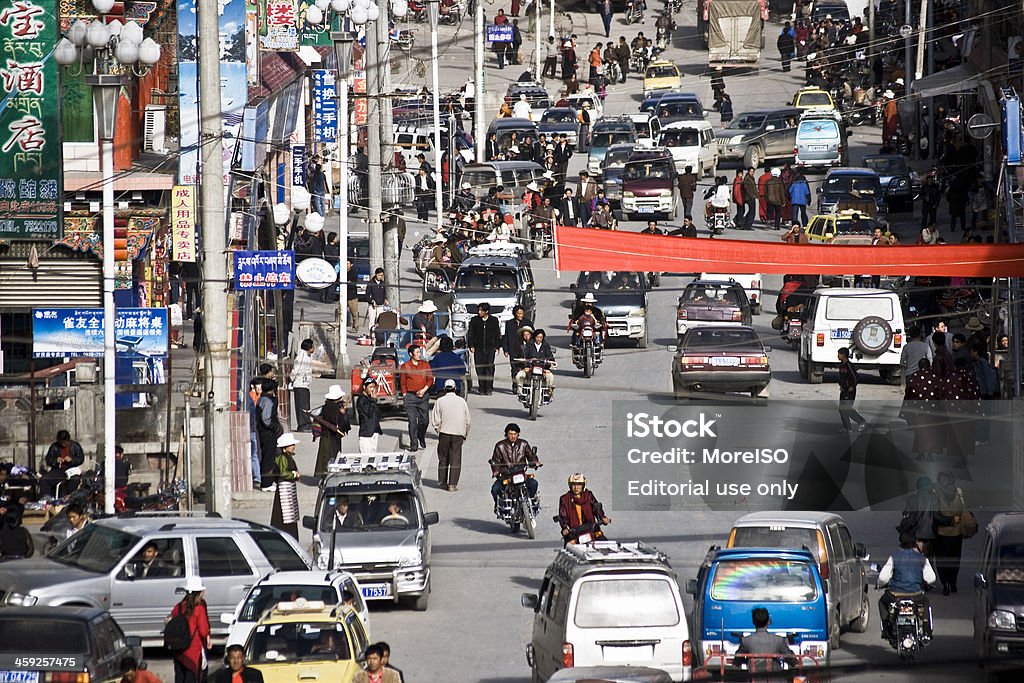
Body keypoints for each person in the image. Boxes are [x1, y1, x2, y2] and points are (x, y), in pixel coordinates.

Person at [877, 531, 935, 642]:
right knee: (926, 604)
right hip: (916, 595)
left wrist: (879, 585)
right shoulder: (922, 558)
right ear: (915, 543)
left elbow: (883, 578)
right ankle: (927, 630)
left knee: (882, 602)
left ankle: (886, 628)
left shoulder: (894, 557)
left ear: (900, 543)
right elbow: (931, 578)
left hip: (896, 595)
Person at [430, 379, 471, 491]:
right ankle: (452, 484)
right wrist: (465, 434)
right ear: (455, 388)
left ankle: (442, 482)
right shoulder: (461, 401)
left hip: (444, 433)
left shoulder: (440, 401)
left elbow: (435, 419)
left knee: (443, 458)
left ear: (444, 389)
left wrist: (439, 430)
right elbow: (468, 421)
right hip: (458, 433)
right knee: (455, 459)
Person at [168, 576, 211, 683]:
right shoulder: (199, 609)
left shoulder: (178, 607)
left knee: (179, 678)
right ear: (200, 592)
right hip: (193, 652)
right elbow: (203, 631)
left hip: (178, 651)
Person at [934, 470, 971, 595]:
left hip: (942, 535)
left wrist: (949, 520)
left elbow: (936, 517)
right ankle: (953, 582)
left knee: (941, 560)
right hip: (957, 534)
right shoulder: (959, 493)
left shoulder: (937, 495)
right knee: (955, 559)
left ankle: (946, 583)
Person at [490, 423, 541, 506]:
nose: (513, 436)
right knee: (495, 489)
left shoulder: (523, 444)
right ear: (506, 434)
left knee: (533, 483)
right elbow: (495, 461)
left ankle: (532, 502)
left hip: (521, 475)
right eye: (510, 434)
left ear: (518, 434)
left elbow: (531, 455)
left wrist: (535, 462)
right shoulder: (500, 446)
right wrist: (496, 471)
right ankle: (499, 506)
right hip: (506, 476)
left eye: (515, 434)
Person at [734, 607, 798, 673]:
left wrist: (747, 660)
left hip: (754, 678)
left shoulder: (746, 641)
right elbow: (792, 661)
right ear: (768, 621)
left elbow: (737, 662)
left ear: (753, 622)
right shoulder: (779, 640)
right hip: (775, 678)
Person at [557, 473, 610, 544]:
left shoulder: (588, 495)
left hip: (591, 528)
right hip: (574, 532)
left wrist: (603, 517)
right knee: (570, 545)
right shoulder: (565, 499)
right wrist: (565, 528)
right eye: (574, 485)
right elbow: (563, 515)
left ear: (583, 485)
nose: (576, 488)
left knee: (604, 543)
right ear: (570, 485)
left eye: (579, 485)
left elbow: (596, 508)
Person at [400, 345, 433, 452]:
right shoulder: (405, 366)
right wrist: (405, 395)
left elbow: (430, 379)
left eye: (420, 352)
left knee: (425, 420)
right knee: (412, 421)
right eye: (417, 352)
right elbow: (403, 382)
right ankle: (413, 444)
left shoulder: (425, 365)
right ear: (411, 354)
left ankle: (421, 435)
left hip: (423, 396)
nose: (419, 354)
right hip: (410, 397)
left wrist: (423, 390)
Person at [313, 384, 350, 477]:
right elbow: (334, 420)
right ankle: (326, 476)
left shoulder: (332, 405)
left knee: (331, 456)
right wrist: (341, 413)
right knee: (328, 457)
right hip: (329, 436)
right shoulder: (330, 407)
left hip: (332, 436)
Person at [270, 433, 300, 539]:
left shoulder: (288, 457)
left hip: (289, 489)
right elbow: (283, 473)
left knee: (291, 515)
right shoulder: (282, 458)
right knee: (285, 515)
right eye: (291, 445)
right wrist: (294, 474)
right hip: (284, 490)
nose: (293, 446)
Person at [901, 476, 940, 558]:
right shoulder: (934, 499)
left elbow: (906, 515)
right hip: (930, 535)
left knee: (916, 560)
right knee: (929, 562)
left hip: (915, 535)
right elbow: (937, 517)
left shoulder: (911, 499)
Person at [467, 303, 501, 395]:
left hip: (490, 348)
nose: (479, 312)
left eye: (481, 311)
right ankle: (481, 387)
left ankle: (489, 388)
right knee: (480, 368)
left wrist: (497, 346)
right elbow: (471, 334)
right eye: (479, 310)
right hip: (478, 348)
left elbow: (497, 334)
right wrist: (471, 345)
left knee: (489, 368)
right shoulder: (474, 320)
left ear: (486, 312)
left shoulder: (494, 320)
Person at [41, 429, 85, 498]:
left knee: (74, 480)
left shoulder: (75, 446)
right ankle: (48, 499)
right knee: (44, 479)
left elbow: (81, 458)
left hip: (72, 470)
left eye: (65, 443)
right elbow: (48, 460)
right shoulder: (54, 446)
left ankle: (69, 498)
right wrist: (55, 461)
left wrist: (72, 460)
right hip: (59, 470)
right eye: (61, 443)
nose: (63, 444)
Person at [255, 379, 283, 487]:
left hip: (263, 432)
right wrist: (275, 427)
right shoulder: (267, 401)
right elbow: (266, 419)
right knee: (268, 458)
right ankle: (266, 483)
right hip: (268, 433)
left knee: (267, 456)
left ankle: (267, 481)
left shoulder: (261, 399)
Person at [515, 328, 556, 395]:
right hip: (530, 369)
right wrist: (523, 360)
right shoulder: (529, 345)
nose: (539, 339)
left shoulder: (546, 346)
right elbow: (523, 354)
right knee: (519, 375)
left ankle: (548, 392)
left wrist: (551, 363)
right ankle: (520, 392)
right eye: (537, 337)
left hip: (543, 369)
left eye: (541, 337)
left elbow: (550, 357)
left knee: (550, 376)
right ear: (534, 337)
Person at [837, 347, 866, 432]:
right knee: (841, 409)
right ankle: (847, 427)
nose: (838, 356)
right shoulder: (841, 365)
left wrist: (852, 386)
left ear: (844, 355)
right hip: (843, 390)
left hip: (850, 391)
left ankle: (861, 422)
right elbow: (841, 377)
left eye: (839, 354)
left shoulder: (849, 365)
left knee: (847, 408)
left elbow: (856, 377)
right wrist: (841, 385)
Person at [502, 305, 534, 382]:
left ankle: (525, 383)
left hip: (525, 350)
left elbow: (533, 335)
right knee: (514, 368)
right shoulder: (509, 323)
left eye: (521, 313)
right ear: (515, 314)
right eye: (518, 313)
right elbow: (506, 337)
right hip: (513, 349)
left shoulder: (527, 322)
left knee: (525, 367)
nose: (520, 315)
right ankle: (515, 385)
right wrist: (505, 349)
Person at [291, 338, 315, 432]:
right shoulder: (302, 357)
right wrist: (292, 380)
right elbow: (296, 369)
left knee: (306, 406)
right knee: (302, 406)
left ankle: (307, 423)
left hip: (305, 384)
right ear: (309, 347)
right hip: (300, 384)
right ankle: (303, 425)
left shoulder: (307, 356)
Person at [356, 379, 383, 453]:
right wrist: (373, 400)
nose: (372, 389)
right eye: (370, 387)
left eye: (374, 387)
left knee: (373, 456)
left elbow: (377, 413)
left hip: (374, 431)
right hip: (366, 433)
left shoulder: (370, 398)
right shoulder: (362, 399)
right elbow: (369, 413)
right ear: (364, 387)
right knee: (366, 457)